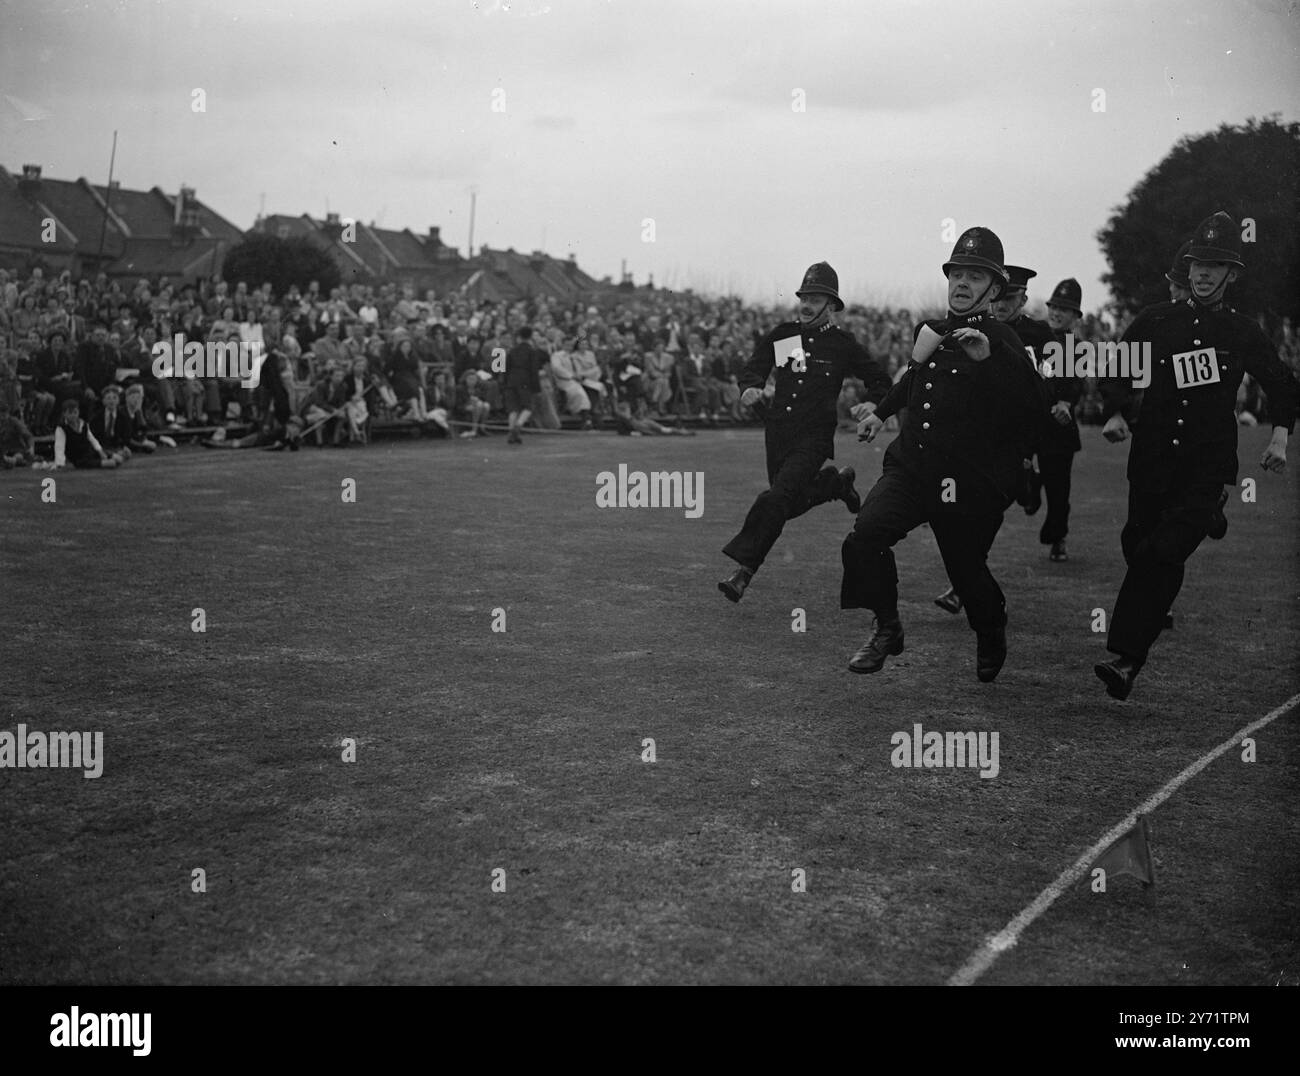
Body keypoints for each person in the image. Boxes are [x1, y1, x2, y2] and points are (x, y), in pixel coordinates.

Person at [1094, 211, 1298, 700]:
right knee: (1137, 543)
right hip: (1152, 460)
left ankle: (1126, 659)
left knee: (1161, 551)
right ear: (1187, 270)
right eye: (1196, 264)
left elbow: (1282, 384)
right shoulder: (1157, 320)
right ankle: (1207, 517)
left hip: (1205, 466)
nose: (1203, 273)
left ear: (1232, 275)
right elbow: (1117, 366)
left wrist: (1279, 438)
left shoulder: (1243, 331)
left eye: (1215, 266)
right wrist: (1116, 411)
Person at [845, 227, 1042, 681]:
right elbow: (913, 378)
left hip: (967, 480)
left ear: (994, 289)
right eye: (957, 273)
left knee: (966, 569)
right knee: (865, 537)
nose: (962, 283)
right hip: (914, 465)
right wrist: (881, 411)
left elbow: (1033, 401)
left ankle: (991, 628)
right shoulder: (929, 330)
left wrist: (990, 359)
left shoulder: (1003, 340)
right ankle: (887, 627)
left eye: (975, 276)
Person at [718, 262, 891, 602]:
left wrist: (873, 404)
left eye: (816, 298)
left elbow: (880, 380)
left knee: (777, 498)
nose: (807, 304)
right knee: (787, 503)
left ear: (832, 306)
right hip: (778, 431)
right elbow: (754, 369)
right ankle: (835, 484)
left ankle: (744, 572)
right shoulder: (784, 335)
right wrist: (749, 388)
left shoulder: (842, 344)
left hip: (813, 437)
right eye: (805, 297)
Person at [934, 263, 1051, 613]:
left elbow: (1046, 387)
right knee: (963, 512)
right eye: (1002, 298)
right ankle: (965, 581)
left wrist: (1030, 447)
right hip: (978, 437)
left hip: (1018, 436)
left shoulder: (1041, 336)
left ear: (1021, 298)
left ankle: (963, 584)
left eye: (1012, 298)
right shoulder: (975, 328)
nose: (1003, 306)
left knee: (987, 509)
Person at [1034, 278, 1086, 561]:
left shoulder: (1077, 347)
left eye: (1064, 309)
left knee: (1058, 491)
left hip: (1059, 429)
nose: (1056, 313)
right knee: (1022, 486)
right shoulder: (1034, 338)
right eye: (1054, 306)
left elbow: (1075, 383)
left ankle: (1058, 537)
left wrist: (1066, 402)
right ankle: (1032, 489)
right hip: (1029, 427)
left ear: (1076, 316)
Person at [52, 398, 119, 469]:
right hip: (80, 459)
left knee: (118, 459)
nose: (73, 415)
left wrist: (100, 452)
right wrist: (59, 463)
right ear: (64, 414)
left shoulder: (83, 424)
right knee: (112, 463)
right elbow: (59, 447)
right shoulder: (61, 429)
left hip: (90, 452)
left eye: (75, 412)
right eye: (70, 413)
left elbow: (92, 439)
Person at [504, 326, 541, 445]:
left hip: (511, 380)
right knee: (527, 407)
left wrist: (506, 382)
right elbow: (534, 370)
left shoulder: (512, 350)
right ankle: (517, 427)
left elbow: (506, 368)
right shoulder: (532, 351)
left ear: (519, 337)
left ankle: (511, 433)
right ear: (530, 337)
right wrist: (536, 387)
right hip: (525, 381)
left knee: (513, 408)